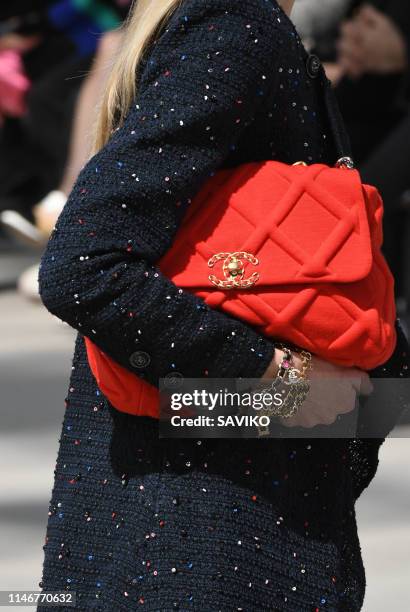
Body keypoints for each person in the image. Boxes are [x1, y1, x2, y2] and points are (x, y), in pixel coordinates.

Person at [36, 0, 409, 609]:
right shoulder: (237, 28)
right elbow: (86, 268)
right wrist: (281, 382)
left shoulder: (248, 28)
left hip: (211, 520)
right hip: (207, 538)